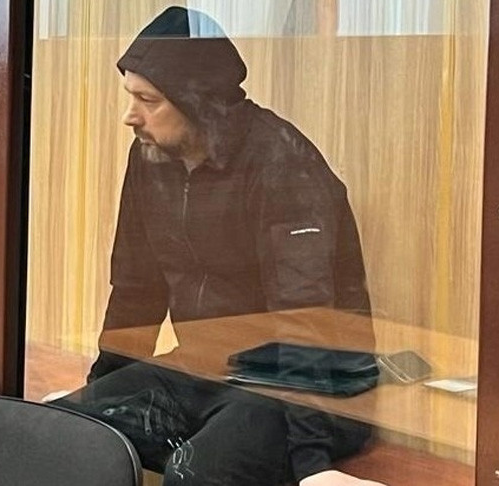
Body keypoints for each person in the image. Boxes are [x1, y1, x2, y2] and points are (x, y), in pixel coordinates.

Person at [55, 6, 385, 486]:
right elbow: (135, 289)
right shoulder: (151, 157)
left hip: (299, 391)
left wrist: (311, 466)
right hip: (201, 368)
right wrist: (97, 397)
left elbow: (305, 318)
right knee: (67, 437)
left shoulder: (282, 163)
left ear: (197, 103)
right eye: (130, 97)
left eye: (147, 100)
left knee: (194, 473)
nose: (130, 116)